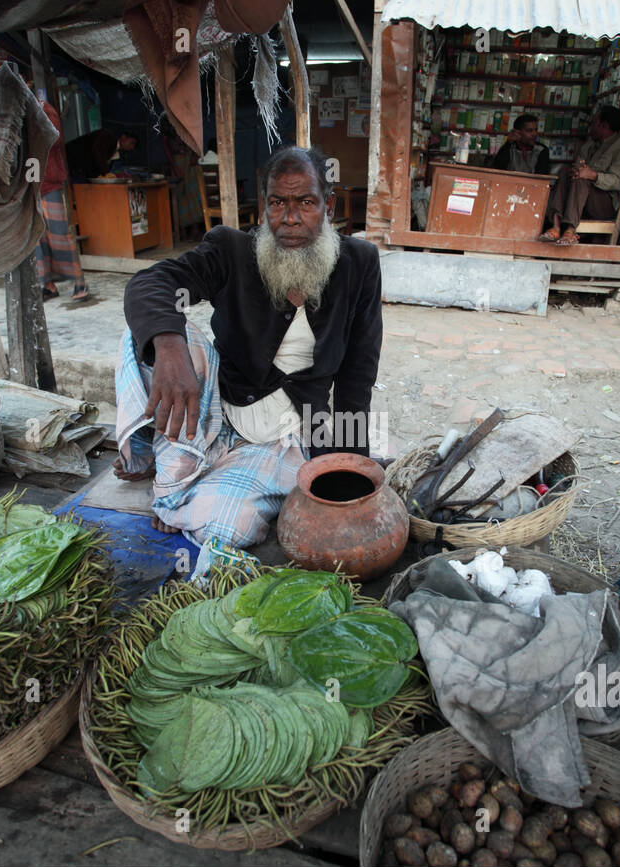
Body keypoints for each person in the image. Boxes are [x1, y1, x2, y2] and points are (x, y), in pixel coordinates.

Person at [113, 144, 382, 549]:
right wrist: (169, 349)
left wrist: (349, 467)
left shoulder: (358, 262)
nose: (290, 218)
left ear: (328, 205)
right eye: (278, 202)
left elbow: (358, 374)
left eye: (306, 202)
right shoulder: (232, 249)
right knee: (143, 339)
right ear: (263, 207)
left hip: (285, 436)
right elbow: (149, 284)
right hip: (215, 412)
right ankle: (172, 482)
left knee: (229, 528)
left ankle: (177, 494)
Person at [538, 106, 620, 245]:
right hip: (580, 200)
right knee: (565, 171)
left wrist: (593, 175)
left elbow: (617, 182)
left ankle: (570, 230)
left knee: (582, 178)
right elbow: (578, 167)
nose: (590, 127)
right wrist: (578, 171)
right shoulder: (590, 144)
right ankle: (556, 226)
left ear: (603, 125)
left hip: (604, 205)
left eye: (593, 123)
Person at [34, 92, 88, 302]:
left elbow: (54, 137)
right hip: (29, 187)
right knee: (37, 240)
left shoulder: (44, 109)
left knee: (59, 234)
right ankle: (48, 284)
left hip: (50, 182)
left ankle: (79, 281)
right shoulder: (13, 110)